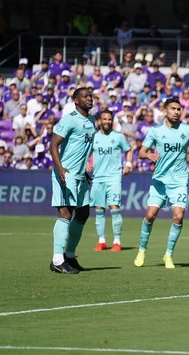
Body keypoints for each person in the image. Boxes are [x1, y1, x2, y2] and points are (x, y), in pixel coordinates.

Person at [134, 98, 189, 269]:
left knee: (178, 216)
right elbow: (140, 153)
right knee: (150, 216)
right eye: (173, 109)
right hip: (159, 180)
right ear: (165, 110)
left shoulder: (188, 129)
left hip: (179, 181)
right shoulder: (155, 131)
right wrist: (148, 155)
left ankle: (168, 255)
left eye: (178, 109)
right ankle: (142, 250)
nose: (176, 111)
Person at [49, 87, 97, 274]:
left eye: (90, 96)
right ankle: (57, 260)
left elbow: (84, 149)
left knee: (83, 213)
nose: (89, 99)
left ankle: (69, 255)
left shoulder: (92, 122)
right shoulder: (69, 119)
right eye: (85, 96)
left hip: (80, 176)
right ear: (76, 100)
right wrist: (60, 168)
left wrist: (85, 168)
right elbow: (53, 144)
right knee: (65, 214)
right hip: (66, 174)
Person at [87, 110, 133, 252]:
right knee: (99, 209)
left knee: (114, 208)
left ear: (112, 121)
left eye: (109, 119)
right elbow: (86, 153)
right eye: (104, 119)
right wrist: (86, 164)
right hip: (98, 178)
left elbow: (129, 150)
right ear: (100, 121)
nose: (107, 121)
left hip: (114, 177)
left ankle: (117, 241)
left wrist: (128, 164)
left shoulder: (118, 137)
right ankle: (101, 241)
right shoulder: (94, 138)